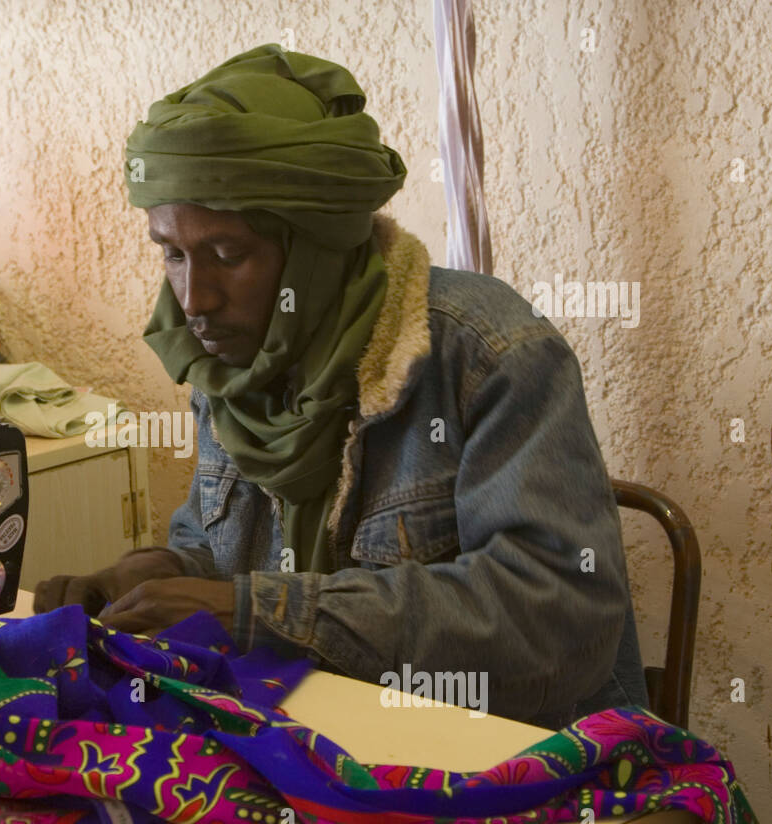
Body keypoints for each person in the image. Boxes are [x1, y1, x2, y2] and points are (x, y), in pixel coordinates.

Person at [34, 44, 650, 730]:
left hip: (514, 762)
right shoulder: (236, 362)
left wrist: (256, 616)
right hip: (321, 738)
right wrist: (144, 576)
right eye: (172, 253)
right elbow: (221, 554)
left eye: (228, 254)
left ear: (316, 247)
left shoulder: (487, 353)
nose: (193, 299)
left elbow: (557, 624)